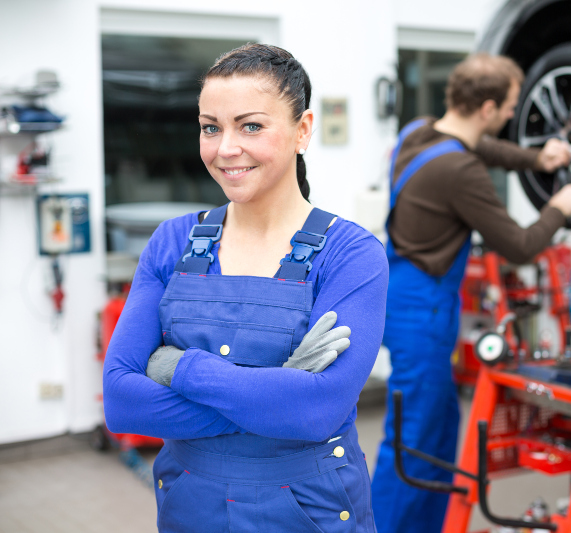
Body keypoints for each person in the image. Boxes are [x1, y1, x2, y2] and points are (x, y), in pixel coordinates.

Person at [103, 44, 388, 533]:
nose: (224, 148)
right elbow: (121, 401)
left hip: (310, 510)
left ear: (303, 129)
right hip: (191, 509)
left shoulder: (351, 254)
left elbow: (318, 410)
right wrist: (276, 388)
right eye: (211, 127)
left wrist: (177, 367)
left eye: (250, 125)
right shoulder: (172, 242)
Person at [371, 53, 571, 533]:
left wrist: (536, 158)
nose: (512, 115)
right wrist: (559, 205)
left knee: (441, 427)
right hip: (423, 309)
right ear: (487, 107)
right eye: (509, 106)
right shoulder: (461, 173)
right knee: (413, 440)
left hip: (401, 290)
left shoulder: (417, 132)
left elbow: (483, 149)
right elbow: (522, 245)